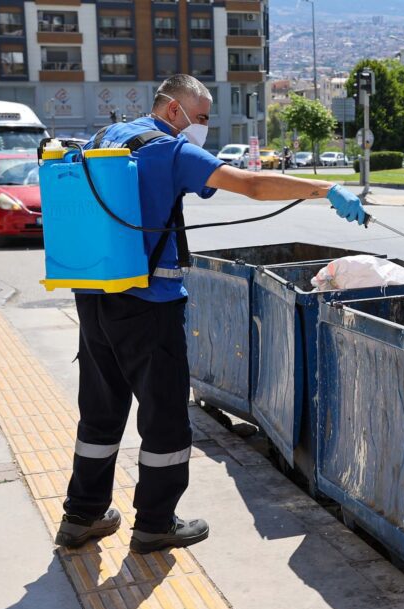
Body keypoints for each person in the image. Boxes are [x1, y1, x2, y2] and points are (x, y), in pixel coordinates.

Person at [54, 74, 367, 554]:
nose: (202, 127)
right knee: (164, 420)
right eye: (200, 117)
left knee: (100, 410)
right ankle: (156, 524)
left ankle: (82, 516)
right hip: (149, 305)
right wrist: (325, 189)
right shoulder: (167, 148)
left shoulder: (105, 137)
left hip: (95, 297)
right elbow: (252, 184)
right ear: (174, 110)